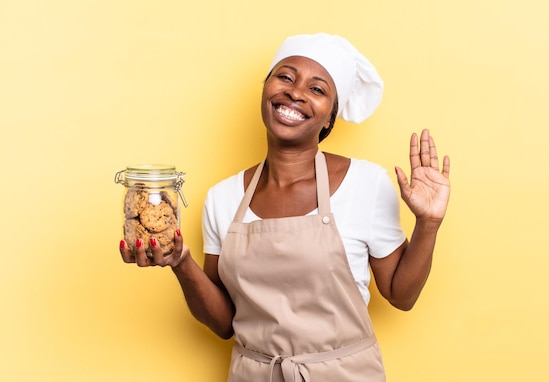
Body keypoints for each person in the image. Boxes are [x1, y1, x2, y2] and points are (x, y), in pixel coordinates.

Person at [119, 32, 451, 382]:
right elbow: (223, 324)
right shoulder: (222, 198)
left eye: (318, 89)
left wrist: (428, 223)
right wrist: (181, 263)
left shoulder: (366, 183)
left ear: (328, 120)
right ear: (265, 90)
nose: (296, 92)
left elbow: (401, 296)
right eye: (285, 77)